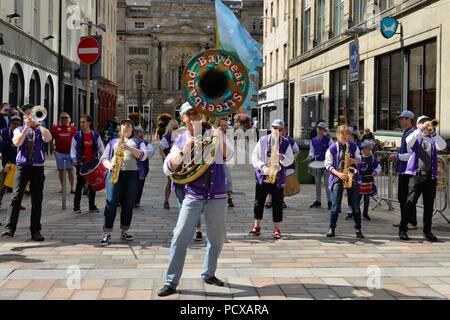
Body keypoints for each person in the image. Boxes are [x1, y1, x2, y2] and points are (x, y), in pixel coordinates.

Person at [158, 103, 234, 297]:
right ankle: (170, 282)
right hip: (193, 194)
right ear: (183, 118)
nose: (193, 117)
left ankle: (209, 273)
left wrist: (219, 137)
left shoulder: (215, 133)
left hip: (217, 193)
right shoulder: (181, 139)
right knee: (179, 237)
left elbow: (230, 157)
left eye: (196, 113)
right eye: (189, 114)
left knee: (216, 239)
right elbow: (168, 168)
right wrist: (184, 150)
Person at [1, 104, 52, 241]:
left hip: (37, 167)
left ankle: (35, 230)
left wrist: (38, 126)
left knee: (37, 199)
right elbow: (17, 143)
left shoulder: (41, 130)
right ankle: (9, 228)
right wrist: (27, 128)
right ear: (24, 117)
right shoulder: (18, 130)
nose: (30, 117)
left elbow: (49, 138)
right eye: (27, 114)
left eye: (32, 114)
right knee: (16, 196)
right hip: (22, 166)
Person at [99, 119, 148, 246]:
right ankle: (107, 233)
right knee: (111, 202)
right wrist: (109, 166)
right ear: (120, 128)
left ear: (132, 130)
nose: (127, 129)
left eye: (129, 127)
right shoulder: (113, 142)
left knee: (128, 204)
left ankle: (124, 230)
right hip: (115, 173)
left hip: (131, 175)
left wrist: (129, 148)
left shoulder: (138, 141)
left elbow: (143, 156)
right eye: (124, 126)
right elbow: (104, 158)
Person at [399, 115, 446, 242]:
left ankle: (427, 231)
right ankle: (403, 229)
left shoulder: (433, 139)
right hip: (417, 175)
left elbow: (443, 145)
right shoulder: (416, 137)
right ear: (419, 124)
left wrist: (434, 132)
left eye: (428, 123)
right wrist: (419, 130)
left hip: (430, 176)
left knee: (429, 205)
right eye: (424, 123)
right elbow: (408, 140)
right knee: (410, 203)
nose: (426, 125)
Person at [250, 119, 294, 240]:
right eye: (275, 128)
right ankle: (257, 226)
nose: (277, 131)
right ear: (271, 128)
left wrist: (282, 157)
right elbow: (254, 157)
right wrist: (263, 167)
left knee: (278, 204)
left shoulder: (285, 142)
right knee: (258, 202)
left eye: (280, 129)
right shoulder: (263, 140)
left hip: (278, 178)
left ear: (283, 130)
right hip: (263, 177)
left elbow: (290, 160)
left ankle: (276, 228)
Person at [324, 125, 364, 239]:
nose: (345, 136)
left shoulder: (353, 146)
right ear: (337, 135)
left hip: (352, 177)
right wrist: (339, 174)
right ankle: (332, 228)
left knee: (355, 206)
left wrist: (354, 160)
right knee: (335, 206)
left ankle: (358, 229)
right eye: (342, 134)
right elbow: (328, 165)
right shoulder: (331, 148)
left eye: (346, 134)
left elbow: (359, 159)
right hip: (338, 177)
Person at [71, 115, 105, 214]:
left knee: (92, 186)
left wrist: (104, 160)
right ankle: (76, 206)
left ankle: (92, 206)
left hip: (93, 165)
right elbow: (72, 149)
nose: (81, 124)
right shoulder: (77, 135)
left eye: (83, 122)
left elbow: (101, 148)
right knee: (79, 185)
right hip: (81, 164)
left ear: (89, 123)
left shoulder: (95, 135)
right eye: (80, 122)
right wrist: (73, 158)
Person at [390, 111, 417, 230]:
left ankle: (410, 222)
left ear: (409, 120)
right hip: (404, 170)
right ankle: (404, 221)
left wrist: (397, 156)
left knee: (407, 198)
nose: (400, 121)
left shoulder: (411, 134)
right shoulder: (407, 133)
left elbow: (412, 155)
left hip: (408, 171)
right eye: (400, 119)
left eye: (402, 119)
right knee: (403, 197)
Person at [307, 122, 333, 209]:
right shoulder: (313, 140)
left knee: (327, 183)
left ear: (324, 130)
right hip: (317, 163)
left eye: (321, 129)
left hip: (326, 163)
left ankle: (330, 201)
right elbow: (311, 152)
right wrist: (310, 157)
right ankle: (318, 201)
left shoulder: (328, 139)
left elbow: (333, 150)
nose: (319, 130)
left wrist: (329, 161)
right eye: (318, 128)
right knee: (317, 183)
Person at [0, 116, 24, 208]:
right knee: (3, 184)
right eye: (14, 123)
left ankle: (17, 203)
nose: (15, 125)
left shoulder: (23, 132)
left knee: (19, 185)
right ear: (10, 123)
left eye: (18, 124)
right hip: (6, 162)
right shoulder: (4, 132)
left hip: (19, 162)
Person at [50, 112, 77, 193]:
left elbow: (77, 140)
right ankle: (63, 187)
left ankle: (72, 187)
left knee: (70, 170)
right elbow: (51, 139)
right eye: (62, 118)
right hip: (59, 152)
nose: (64, 119)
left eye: (66, 118)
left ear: (69, 119)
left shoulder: (73, 129)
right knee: (61, 170)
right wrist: (52, 149)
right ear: (60, 119)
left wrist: (75, 152)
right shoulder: (55, 128)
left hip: (70, 153)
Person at [159, 119, 179, 210]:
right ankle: (166, 201)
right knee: (170, 182)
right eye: (174, 128)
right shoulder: (167, 137)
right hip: (170, 163)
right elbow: (161, 149)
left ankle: (182, 200)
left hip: (180, 163)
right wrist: (166, 159)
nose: (175, 129)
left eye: (177, 128)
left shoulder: (180, 136)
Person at [358, 141, 381, 221]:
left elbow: (378, 167)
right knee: (357, 199)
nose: (363, 150)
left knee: (367, 199)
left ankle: (365, 214)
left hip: (368, 182)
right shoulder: (359, 157)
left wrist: (375, 172)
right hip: (360, 181)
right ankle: (355, 213)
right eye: (363, 148)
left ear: (369, 149)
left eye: (365, 148)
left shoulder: (373, 159)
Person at [134, 125, 155, 207]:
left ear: (141, 133)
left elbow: (151, 152)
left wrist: (141, 153)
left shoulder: (145, 143)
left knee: (140, 184)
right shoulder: (130, 141)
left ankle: (137, 201)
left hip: (142, 167)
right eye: (135, 132)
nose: (136, 134)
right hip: (132, 168)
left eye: (138, 132)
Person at [219, 119, 235, 207]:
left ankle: (229, 198)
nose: (223, 127)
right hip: (215, 160)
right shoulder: (214, 135)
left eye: (225, 126)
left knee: (228, 179)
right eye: (222, 125)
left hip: (225, 160)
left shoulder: (228, 136)